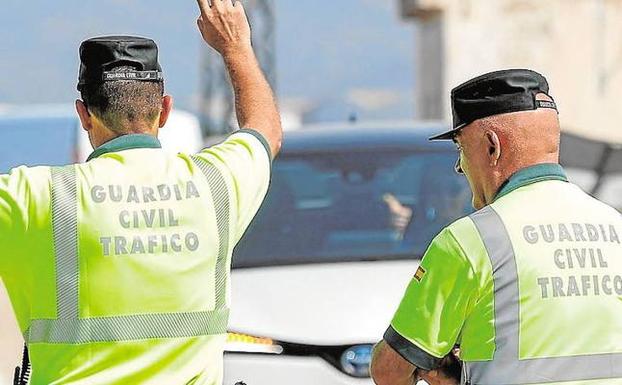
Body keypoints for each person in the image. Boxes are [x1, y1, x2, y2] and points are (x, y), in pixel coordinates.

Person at [0, 0, 281, 383]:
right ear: (164, 110)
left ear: (84, 114)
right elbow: (264, 130)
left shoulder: (35, 196)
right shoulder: (216, 185)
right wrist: (236, 47)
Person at [370, 69, 622, 385]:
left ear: (492, 146)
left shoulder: (470, 240)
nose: (460, 166)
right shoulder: (615, 228)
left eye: (461, 148)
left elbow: (390, 371)